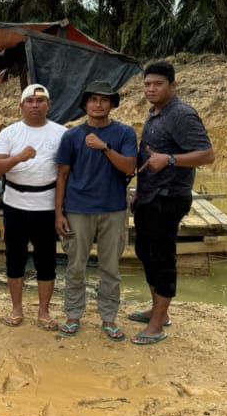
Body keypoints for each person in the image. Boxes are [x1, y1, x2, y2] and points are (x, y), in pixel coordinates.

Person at [130, 61, 214, 345]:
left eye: (158, 84)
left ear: (173, 86)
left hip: (169, 197)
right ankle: (158, 311)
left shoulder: (182, 114)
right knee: (144, 251)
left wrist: (171, 159)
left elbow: (206, 154)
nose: (151, 89)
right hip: (149, 196)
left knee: (162, 257)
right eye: (147, 84)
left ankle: (157, 325)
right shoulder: (155, 113)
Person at [54, 81, 137, 340]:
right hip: (78, 209)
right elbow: (63, 175)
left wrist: (104, 148)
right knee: (75, 265)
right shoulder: (72, 136)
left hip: (113, 209)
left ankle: (109, 318)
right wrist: (59, 213)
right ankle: (73, 314)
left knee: (110, 267)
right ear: (86, 104)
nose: (98, 104)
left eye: (104, 100)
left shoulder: (124, 134)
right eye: (93, 100)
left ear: (112, 104)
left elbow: (128, 168)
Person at [0, 84, 66, 330]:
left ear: (49, 105)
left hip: (46, 203)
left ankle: (44, 311)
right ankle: (16, 308)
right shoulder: (10, 133)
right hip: (15, 202)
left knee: (46, 260)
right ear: (21, 106)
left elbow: (66, 173)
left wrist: (60, 212)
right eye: (30, 101)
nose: (35, 105)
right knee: (15, 257)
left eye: (41, 100)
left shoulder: (61, 133)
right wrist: (18, 158)